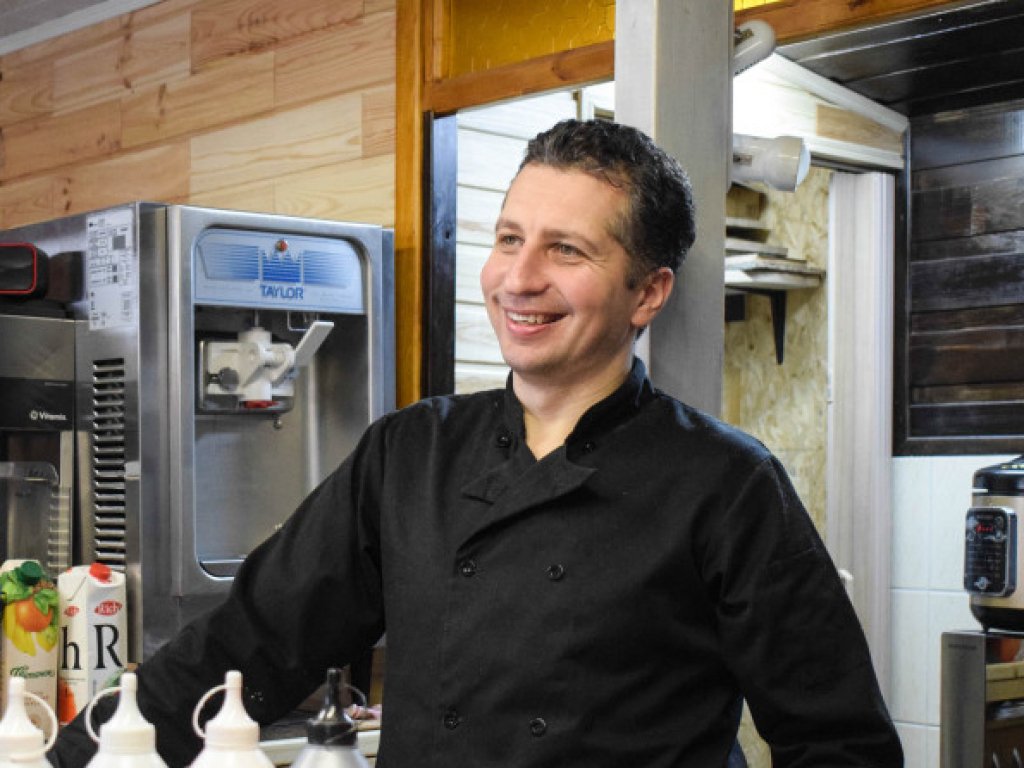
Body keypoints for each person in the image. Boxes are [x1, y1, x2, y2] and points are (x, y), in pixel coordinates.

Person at [48, 119, 903, 768]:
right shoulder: (410, 453)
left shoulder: (726, 483)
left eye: (566, 250)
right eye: (509, 239)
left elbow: (840, 744)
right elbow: (247, 643)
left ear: (648, 292)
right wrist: (73, 758)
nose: (519, 279)